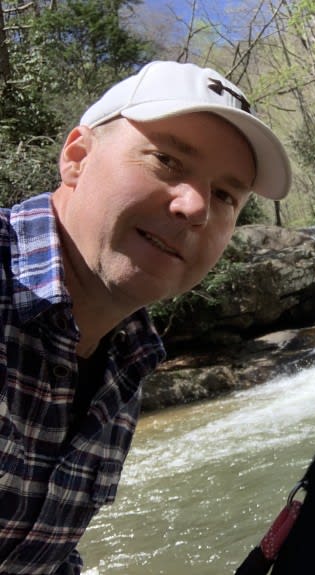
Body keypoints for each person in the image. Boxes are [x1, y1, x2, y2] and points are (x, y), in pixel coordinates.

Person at [0, 60, 291, 574]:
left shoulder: (130, 355)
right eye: (167, 160)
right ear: (77, 157)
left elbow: (39, 556)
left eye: (225, 195)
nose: (196, 206)